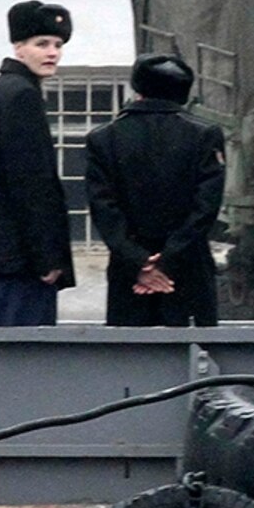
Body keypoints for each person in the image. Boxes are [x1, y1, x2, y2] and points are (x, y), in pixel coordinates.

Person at [83, 53, 226, 328]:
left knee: (131, 360)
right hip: (188, 269)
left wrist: (139, 262)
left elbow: (103, 208)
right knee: (198, 361)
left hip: (129, 273)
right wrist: (169, 260)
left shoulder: (103, 139)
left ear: (138, 88)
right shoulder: (205, 135)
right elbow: (205, 207)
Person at [0, 0, 76, 326]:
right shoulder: (21, 96)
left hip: (4, 259)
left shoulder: (2, 90)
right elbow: (30, 184)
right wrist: (46, 257)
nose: (52, 52)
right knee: (25, 364)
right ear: (19, 48)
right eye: (41, 44)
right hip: (19, 262)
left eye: (57, 45)